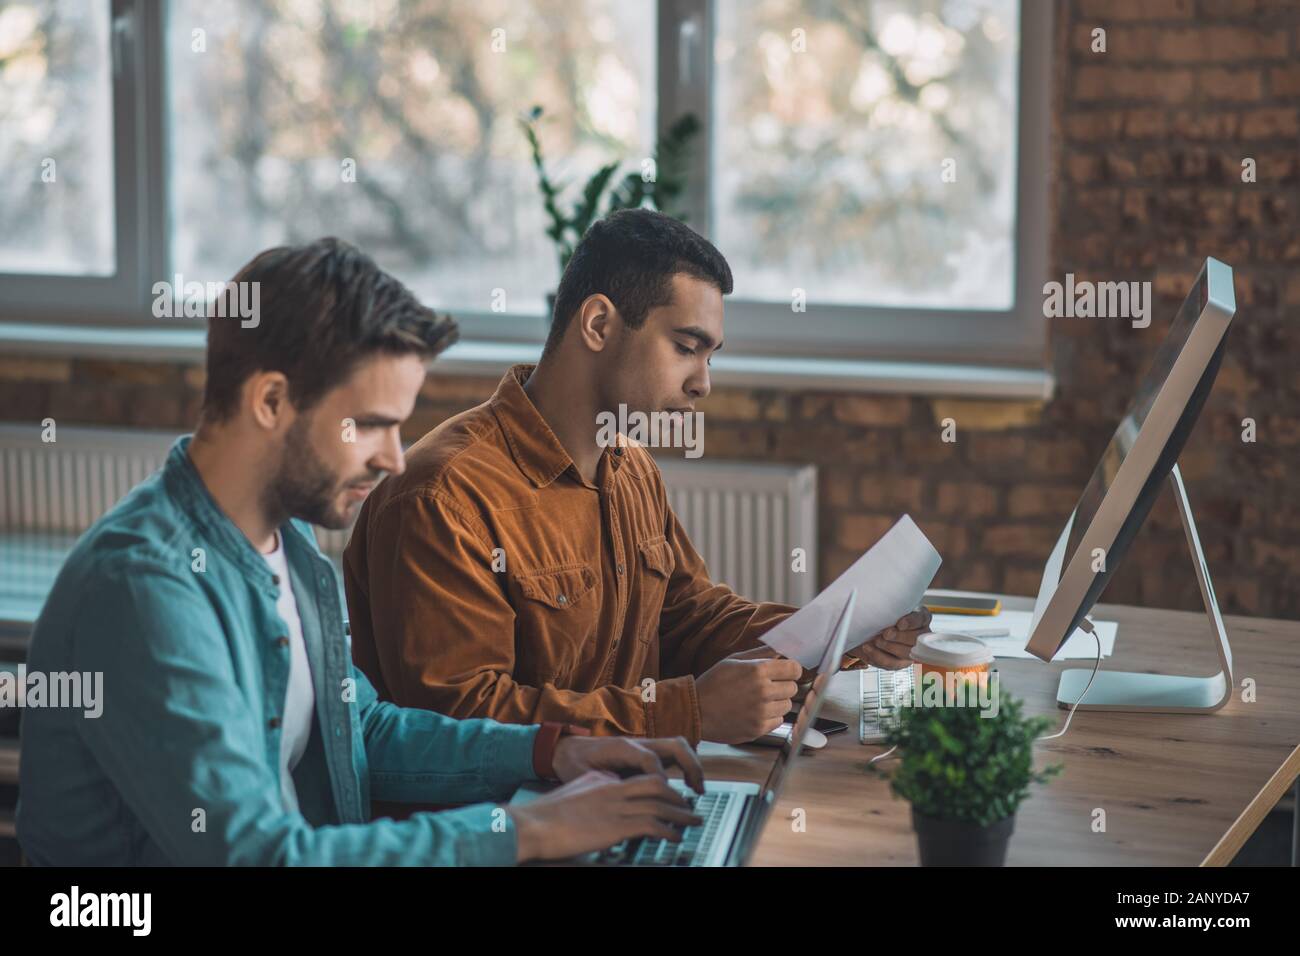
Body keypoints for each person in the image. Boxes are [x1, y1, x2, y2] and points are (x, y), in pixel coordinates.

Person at [17, 237, 705, 866]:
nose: (395, 460)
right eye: (371, 426)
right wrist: (531, 830)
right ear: (271, 401)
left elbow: (361, 727)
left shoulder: (286, 540)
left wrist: (551, 750)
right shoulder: (144, 589)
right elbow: (259, 856)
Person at [344, 210, 931, 745]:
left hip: (620, 795)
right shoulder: (443, 495)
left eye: (711, 356)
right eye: (686, 347)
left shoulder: (628, 467)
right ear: (598, 324)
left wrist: (836, 635)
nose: (704, 384)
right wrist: (683, 713)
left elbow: (686, 617)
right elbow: (461, 721)